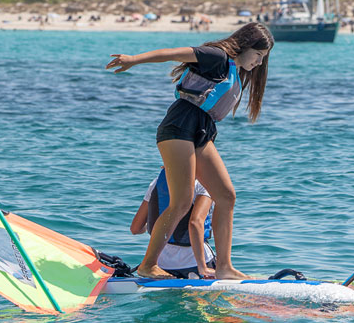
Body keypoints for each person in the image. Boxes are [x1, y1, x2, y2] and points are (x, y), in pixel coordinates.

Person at [105, 22, 272, 280]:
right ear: (247, 45)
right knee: (182, 202)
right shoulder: (218, 57)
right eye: (259, 56)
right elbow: (174, 52)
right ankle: (149, 264)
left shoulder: (235, 71)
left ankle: (225, 267)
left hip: (201, 132)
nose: (259, 63)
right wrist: (133, 60)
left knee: (226, 196)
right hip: (179, 126)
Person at [129, 168, 215, 278]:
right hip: (194, 262)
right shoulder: (203, 184)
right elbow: (195, 223)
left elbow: (135, 228)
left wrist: (156, 228)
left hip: (161, 265)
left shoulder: (157, 182)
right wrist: (202, 266)